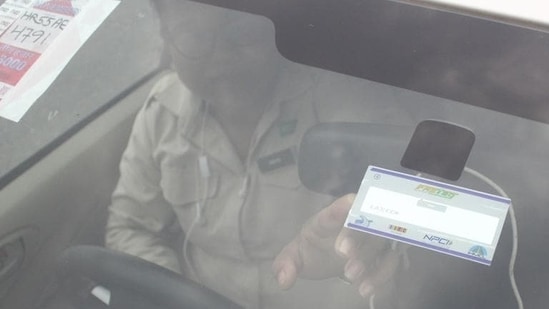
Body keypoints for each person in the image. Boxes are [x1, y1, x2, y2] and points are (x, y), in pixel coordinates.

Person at [106, 0, 401, 307]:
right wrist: (171, 295)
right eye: (193, 35)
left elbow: (408, 219)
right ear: (166, 40)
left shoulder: (349, 103)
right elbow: (130, 228)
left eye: (242, 30)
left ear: (278, 28)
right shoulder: (161, 113)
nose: (220, 55)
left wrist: (366, 252)